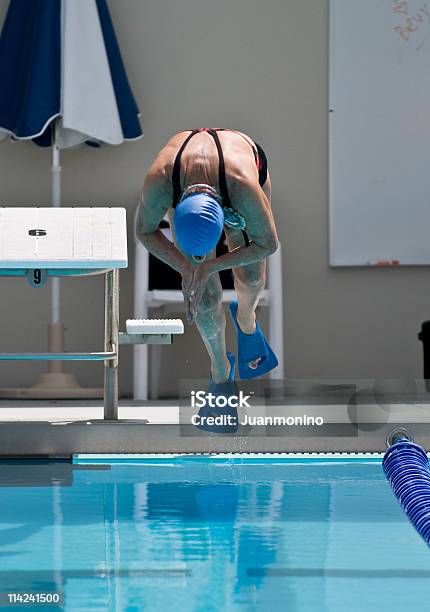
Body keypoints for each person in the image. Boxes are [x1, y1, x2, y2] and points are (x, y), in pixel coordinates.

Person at [136, 128, 279, 389]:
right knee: (202, 295)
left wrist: (210, 266)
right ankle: (220, 371)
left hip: (236, 172)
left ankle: (246, 319)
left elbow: (268, 244)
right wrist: (187, 267)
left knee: (251, 275)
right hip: (185, 181)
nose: (203, 259)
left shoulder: (242, 186)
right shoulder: (161, 181)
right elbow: (144, 231)